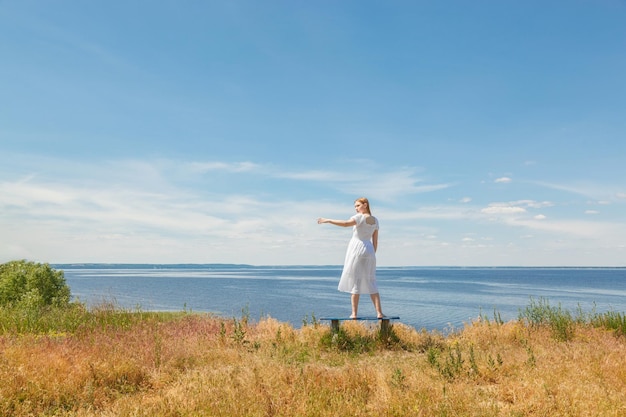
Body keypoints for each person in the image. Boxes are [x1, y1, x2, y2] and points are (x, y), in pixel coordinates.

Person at [317, 197, 384, 319]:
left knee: (356, 281)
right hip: (369, 250)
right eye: (355, 207)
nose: (356, 208)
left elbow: (345, 224)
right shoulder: (376, 221)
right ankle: (379, 312)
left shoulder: (359, 217)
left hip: (357, 248)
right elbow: (375, 241)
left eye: (358, 206)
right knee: (371, 281)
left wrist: (328, 220)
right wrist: (372, 254)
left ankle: (354, 313)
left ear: (365, 205)